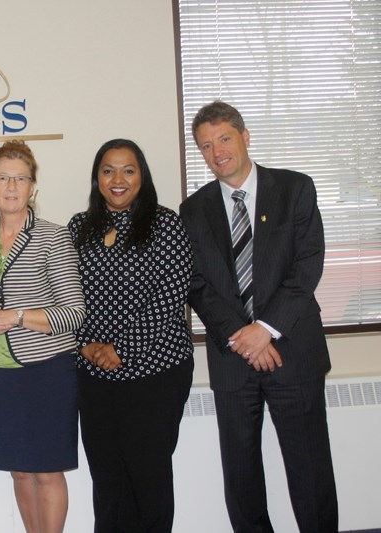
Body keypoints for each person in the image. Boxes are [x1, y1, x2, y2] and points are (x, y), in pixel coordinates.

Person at [179, 101, 338, 532]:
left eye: (224, 139)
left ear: (246, 137)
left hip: (294, 352)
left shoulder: (295, 189)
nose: (217, 152)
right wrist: (241, 336)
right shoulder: (192, 211)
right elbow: (195, 283)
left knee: (310, 473)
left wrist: (264, 330)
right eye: (206, 146)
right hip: (233, 360)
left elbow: (307, 266)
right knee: (242, 478)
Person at [67, 139, 194, 532]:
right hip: (94, 374)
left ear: (142, 176)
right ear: (97, 178)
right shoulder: (77, 227)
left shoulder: (165, 223)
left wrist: (122, 348)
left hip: (155, 371)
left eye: (128, 170)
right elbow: (65, 294)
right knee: (107, 479)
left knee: (148, 475)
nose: (117, 179)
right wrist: (87, 345)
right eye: (108, 170)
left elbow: (170, 296)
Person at [0, 140, 86, 533]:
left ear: (33, 187)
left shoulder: (54, 236)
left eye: (20, 178)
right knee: (18, 471)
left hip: (47, 370)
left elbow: (74, 313)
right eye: (2, 178)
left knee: (48, 472)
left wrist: (14, 316)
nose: (11, 186)